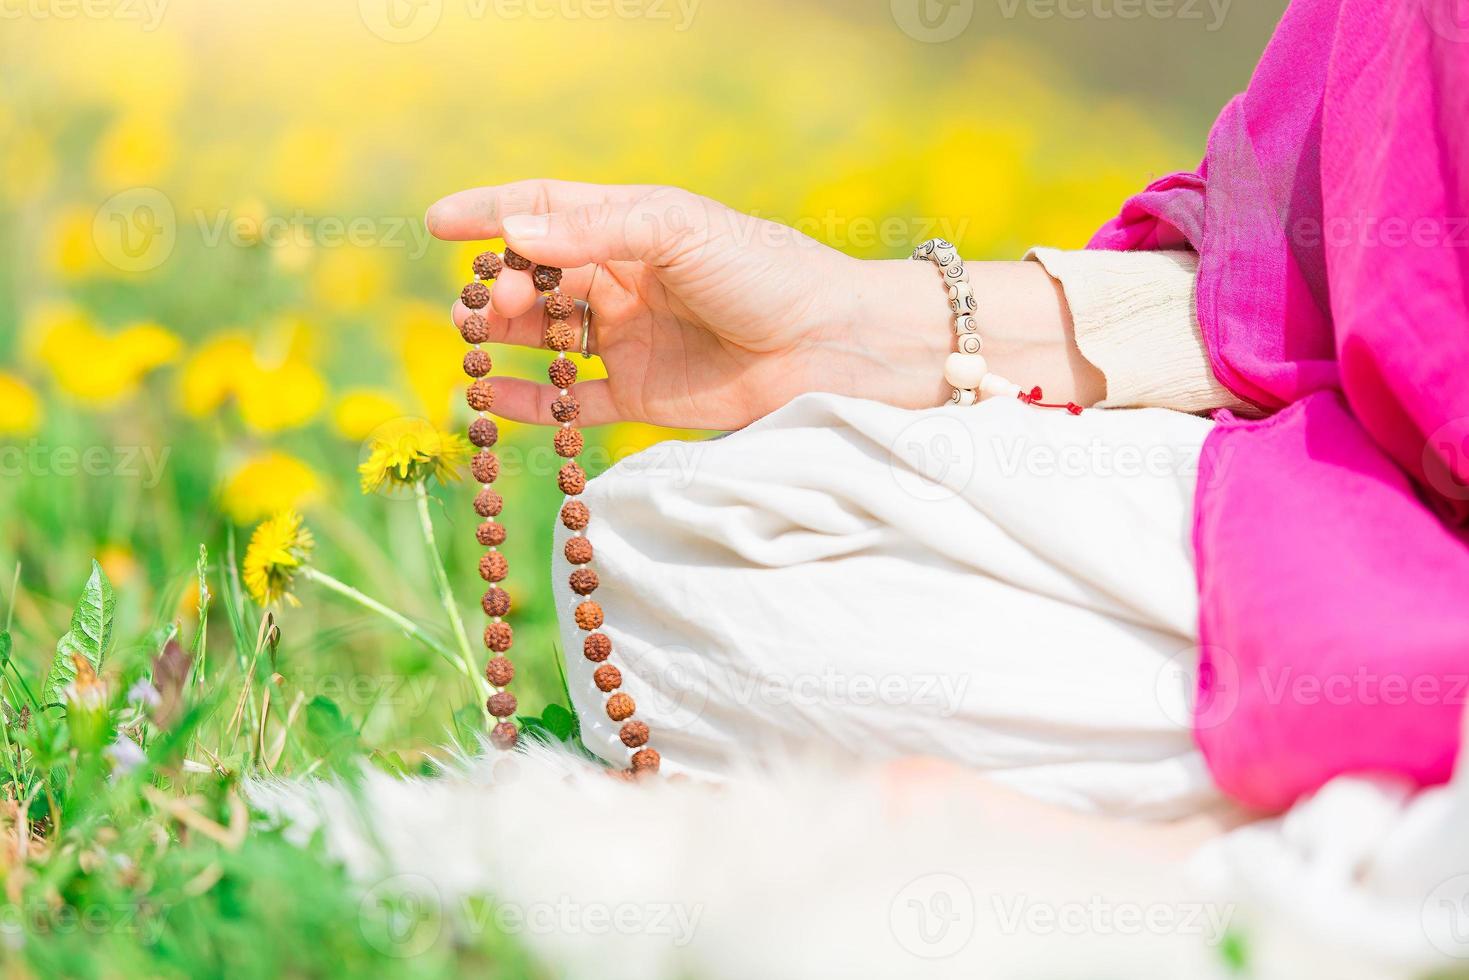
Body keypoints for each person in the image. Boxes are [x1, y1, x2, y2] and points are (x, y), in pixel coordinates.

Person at [425, 0, 1469, 818]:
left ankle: (1333, 847)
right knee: (680, 547)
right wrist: (852, 323)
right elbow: (1321, 267)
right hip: (1378, 499)